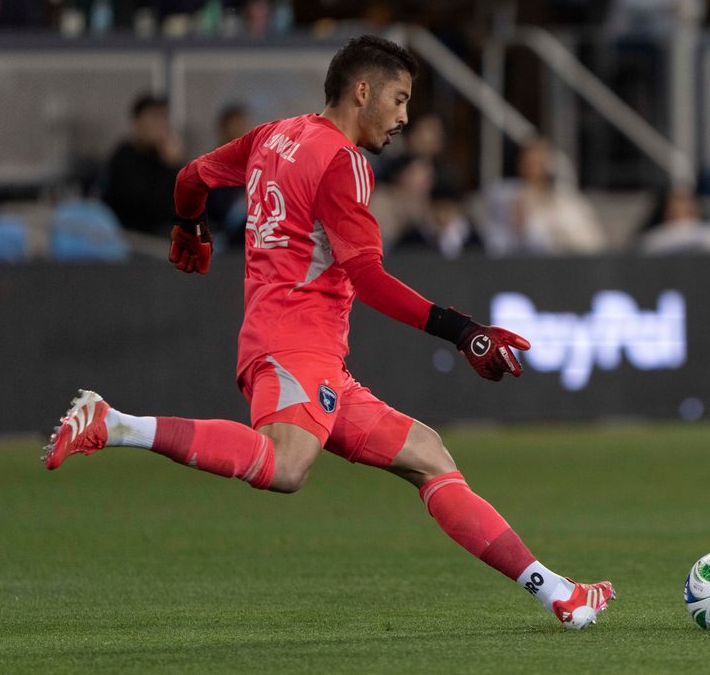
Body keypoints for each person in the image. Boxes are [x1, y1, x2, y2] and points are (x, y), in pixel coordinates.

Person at [42, 35, 614, 631]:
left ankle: (559, 595)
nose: (404, 117)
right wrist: (464, 331)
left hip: (299, 353)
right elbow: (367, 277)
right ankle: (114, 423)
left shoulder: (275, 137)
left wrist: (189, 227)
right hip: (297, 349)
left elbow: (191, 177)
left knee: (429, 455)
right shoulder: (343, 163)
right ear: (361, 90)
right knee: (286, 468)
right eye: (398, 99)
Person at [484, 138, 607, 257]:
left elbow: (591, 244)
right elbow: (499, 244)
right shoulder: (506, 196)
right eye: (530, 160)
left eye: (540, 160)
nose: (534, 166)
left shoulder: (568, 202)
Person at [102, 94, 185, 236]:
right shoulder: (124, 157)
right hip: (133, 237)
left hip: (164, 234)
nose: (160, 124)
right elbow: (144, 208)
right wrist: (169, 168)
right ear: (137, 122)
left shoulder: (164, 156)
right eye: (154, 117)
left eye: (163, 117)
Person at [637, 186, 710, 255]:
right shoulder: (655, 239)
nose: (682, 209)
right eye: (676, 207)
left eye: (687, 205)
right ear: (666, 211)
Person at [205, 103, 253, 246]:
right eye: (235, 125)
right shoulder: (211, 164)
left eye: (243, 124)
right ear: (224, 128)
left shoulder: (255, 161)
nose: (240, 130)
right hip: (223, 232)